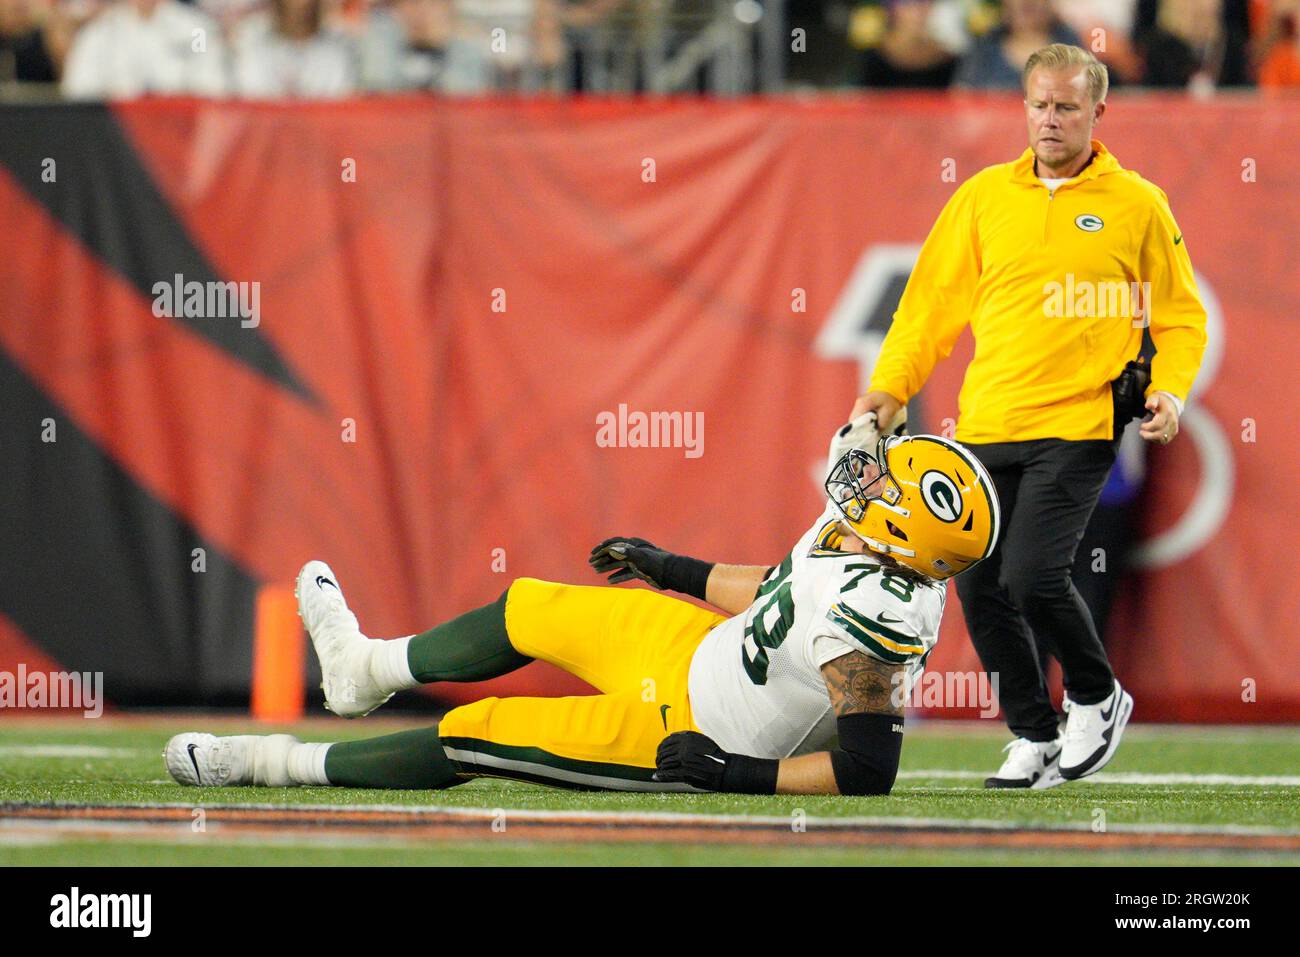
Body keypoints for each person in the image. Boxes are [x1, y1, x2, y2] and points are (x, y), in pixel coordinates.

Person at [165, 423, 1001, 795]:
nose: (872, 475)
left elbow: (867, 772)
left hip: (700, 731)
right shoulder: (858, 537)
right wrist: (670, 566)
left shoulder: (880, 618)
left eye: (890, 483)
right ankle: (361, 669)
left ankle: (271, 762)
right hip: (698, 649)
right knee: (530, 606)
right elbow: (780, 588)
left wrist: (737, 777)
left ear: (904, 535)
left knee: (479, 733)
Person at [851, 43, 1206, 788]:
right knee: (978, 584)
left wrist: (1169, 390)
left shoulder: (1137, 202)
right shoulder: (982, 197)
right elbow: (926, 312)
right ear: (1023, 107)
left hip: (1076, 425)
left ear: (1097, 112)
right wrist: (888, 388)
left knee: (1033, 574)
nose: (1049, 120)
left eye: (1066, 107)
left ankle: (1098, 695)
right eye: (1039, 105)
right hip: (985, 423)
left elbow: (1181, 317)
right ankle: (1032, 732)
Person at [61, 0, 228, 98]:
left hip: (181, 139)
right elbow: (79, 92)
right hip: (117, 140)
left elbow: (213, 88)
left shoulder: (196, 30)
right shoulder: (100, 32)